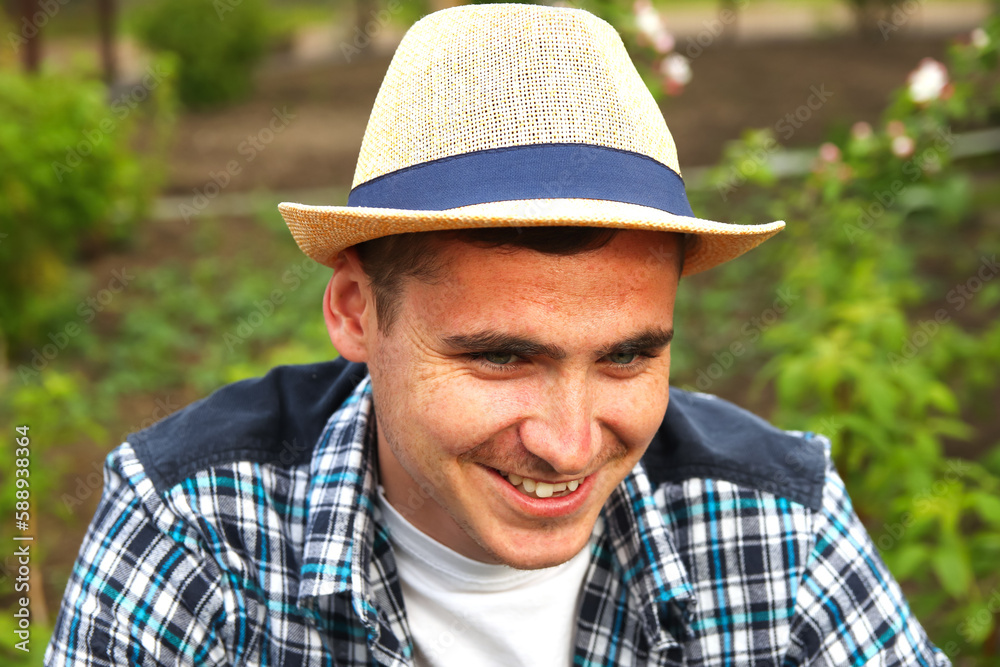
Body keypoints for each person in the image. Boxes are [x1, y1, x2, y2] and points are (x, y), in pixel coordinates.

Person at [47, 4, 949, 666]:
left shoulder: (778, 525)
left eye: (629, 355)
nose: (566, 442)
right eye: (500, 356)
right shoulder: (202, 526)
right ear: (357, 313)